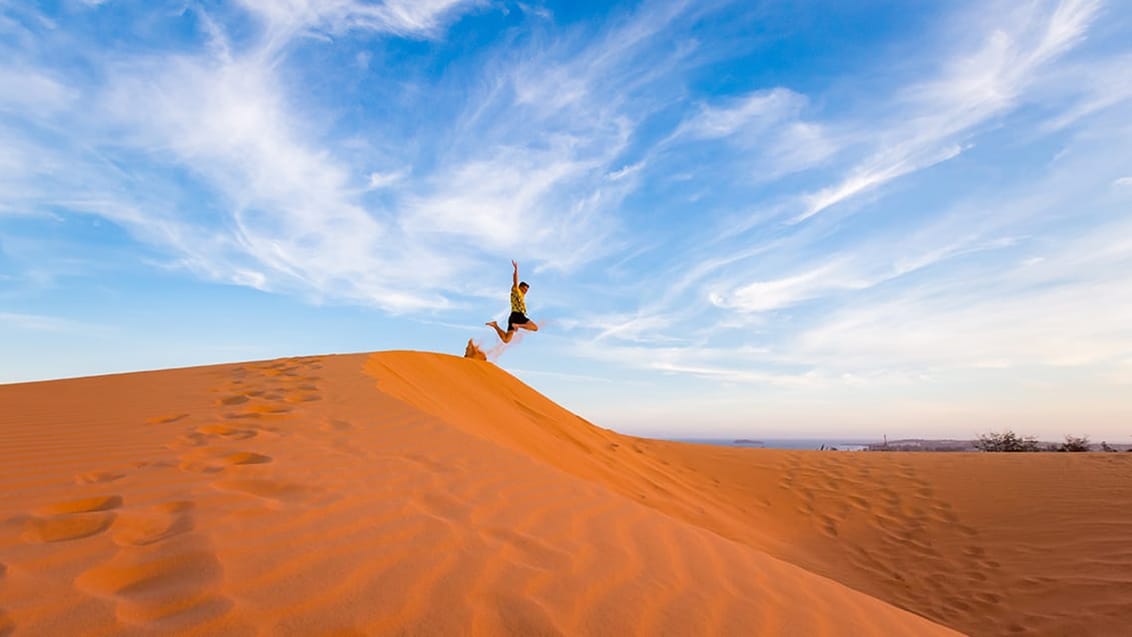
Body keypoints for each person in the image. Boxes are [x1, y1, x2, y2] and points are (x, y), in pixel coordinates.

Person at [486, 259, 539, 343]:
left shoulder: (522, 296)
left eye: (526, 290)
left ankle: (495, 325)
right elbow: (515, 281)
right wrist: (516, 270)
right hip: (518, 315)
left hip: (512, 317)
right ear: (520, 287)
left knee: (506, 340)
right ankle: (518, 325)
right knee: (535, 327)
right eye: (524, 289)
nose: (525, 291)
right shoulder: (516, 290)